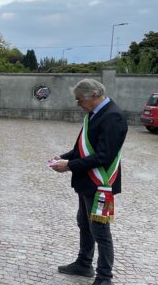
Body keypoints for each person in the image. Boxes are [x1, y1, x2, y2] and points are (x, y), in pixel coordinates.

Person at [51, 79, 127, 285]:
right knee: (84, 224)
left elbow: (103, 156)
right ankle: (84, 263)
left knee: (100, 231)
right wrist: (63, 157)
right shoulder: (95, 114)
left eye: (80, 100)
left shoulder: (113, 117)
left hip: (100, 184)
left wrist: (69, 165)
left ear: (94, 95)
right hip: (87, 182)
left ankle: (104, 277)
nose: (78, 104)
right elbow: (82, 149)